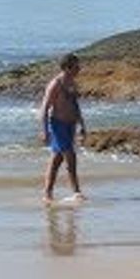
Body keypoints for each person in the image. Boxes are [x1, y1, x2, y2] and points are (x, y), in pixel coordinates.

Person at [40, 53, 87, 203]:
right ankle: (77, 192)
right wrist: (45, 131)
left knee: (57, 159)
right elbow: (44, 108)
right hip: (57, 125)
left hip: (70, 125)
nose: (79, 68)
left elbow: (75, 104)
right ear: (67, 68)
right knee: (70, 157)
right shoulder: (56, 84)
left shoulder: (72, 82)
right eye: (76, 66)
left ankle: (47, 194)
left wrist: (82, 124)